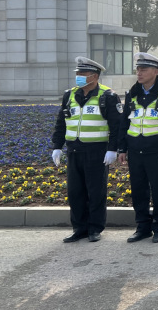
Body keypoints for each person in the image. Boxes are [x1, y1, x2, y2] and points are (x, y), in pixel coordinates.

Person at [51, 57, 122, 243]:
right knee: (75, 192)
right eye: (77, 73)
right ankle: (79, 228)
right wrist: (57, 146)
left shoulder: (108, 96)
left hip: (97, 151)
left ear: (95, 76)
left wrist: (112, 149)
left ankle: (95, 228)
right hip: (74, 150)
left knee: (96, 191)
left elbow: (117, 126)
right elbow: (61, 123)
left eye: (83, 74)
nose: (79, 77)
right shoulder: (69, 95)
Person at [118, 53, 158, 244]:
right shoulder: (132, 93)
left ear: (155, 72)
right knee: (138, 190)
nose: (139, 73)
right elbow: (124, 123)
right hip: (135, 150)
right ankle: (143, 227)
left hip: (157, 151)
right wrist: (122, 148)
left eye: (143, 69)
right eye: (138, 69)